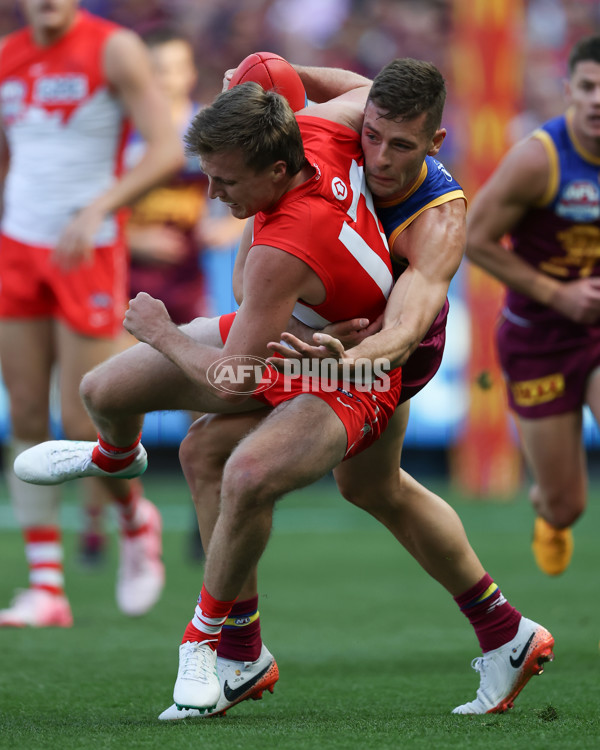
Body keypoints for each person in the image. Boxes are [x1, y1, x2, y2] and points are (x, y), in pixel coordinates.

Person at [15, 61, 554, 717]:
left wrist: (349, 358)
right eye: (376, 136)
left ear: (435, 145)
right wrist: (266, 75)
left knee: (271, 472)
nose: (380, 158)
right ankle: (244, 638)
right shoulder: (337, 121)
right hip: (302, 319)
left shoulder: (435, 218)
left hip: (368, 352)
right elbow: (326, 85)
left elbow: (405, 329)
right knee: (190, 437)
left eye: (402, 146)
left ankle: (214, 641)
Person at [0, 0, 184, 626]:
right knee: (24, 414)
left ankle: (136, 519)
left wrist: (99, 208)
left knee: (82, 426)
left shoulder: (114, 48)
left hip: (88, 249)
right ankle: (46, 588)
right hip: (17, 247)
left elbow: (163, 150)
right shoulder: (8, 56)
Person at [78, 28, 245, 564]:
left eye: (173, 68)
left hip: (187, 291)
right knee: (103, 406)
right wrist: (134, 236)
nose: (164, 78)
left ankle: (204, 525)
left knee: (206, 405)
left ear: (189, 73)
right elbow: (82, 216)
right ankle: (96, 528)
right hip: (120, 288)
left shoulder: (210, 131)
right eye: (156, 69)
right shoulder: (120, 135)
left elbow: (253, 198)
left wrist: (227, 229)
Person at [465, 35, 600, 577]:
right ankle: (550, 514)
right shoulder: (538, 159)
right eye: (589, 87)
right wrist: (557, 294)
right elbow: (474, 240)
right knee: (567, 503)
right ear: (570, 90)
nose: (597, 101)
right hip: (538, 338)